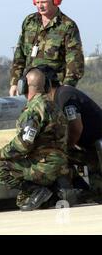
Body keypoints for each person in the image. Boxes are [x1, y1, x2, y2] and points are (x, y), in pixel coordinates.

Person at [0, 67, 69, 211]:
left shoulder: (33, 110)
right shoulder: (55, 107)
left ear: (24, 86)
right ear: (46, 85)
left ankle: (35, 190)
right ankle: (53, 192)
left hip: (43, 167)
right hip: (62, 167)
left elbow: (23, 145)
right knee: (22, 201)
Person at [9, 0, 84, 97]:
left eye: (44, 2)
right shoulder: (29, 22)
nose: (40, 6)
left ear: (55, 0)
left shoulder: (67, 26)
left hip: (53, 89)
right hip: (29, 88)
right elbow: (19, 55)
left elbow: (75, 62)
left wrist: (66, 89)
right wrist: (14, 83)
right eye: (37, 2)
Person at [39, 64, 102, 193]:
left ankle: (77, 190)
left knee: (56, 157)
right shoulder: (60, 95)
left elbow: (76, 127)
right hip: (91, 147)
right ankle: (81, 188)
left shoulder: (64, 96)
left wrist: (67, 147)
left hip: (96, 147)